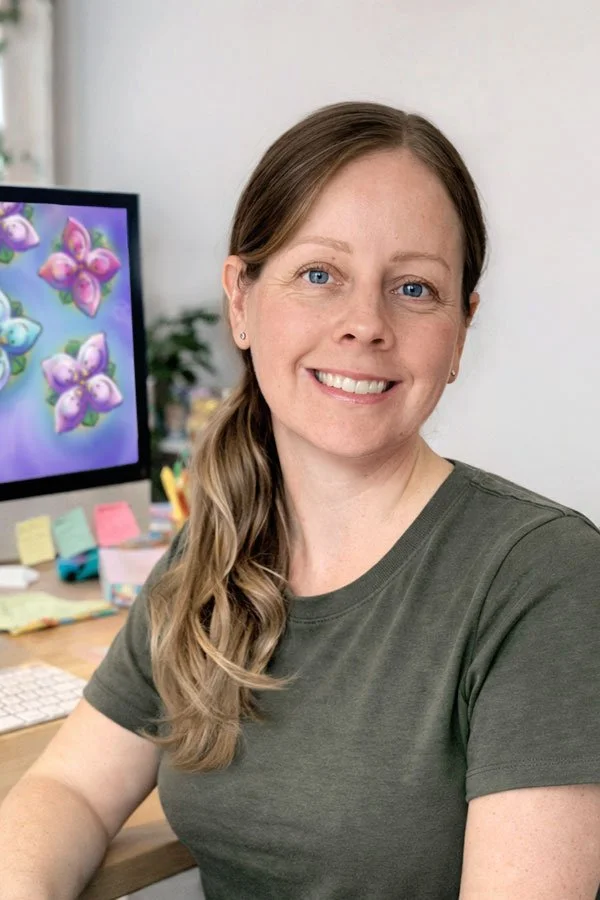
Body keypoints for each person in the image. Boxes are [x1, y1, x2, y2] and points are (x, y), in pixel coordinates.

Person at [1, 101, 599, 900]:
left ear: (460, 331)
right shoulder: (215, 549)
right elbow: (68, 788)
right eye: (320, 275)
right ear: (240, 300)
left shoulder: (544, 577)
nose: (365, 325)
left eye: (414, 287)